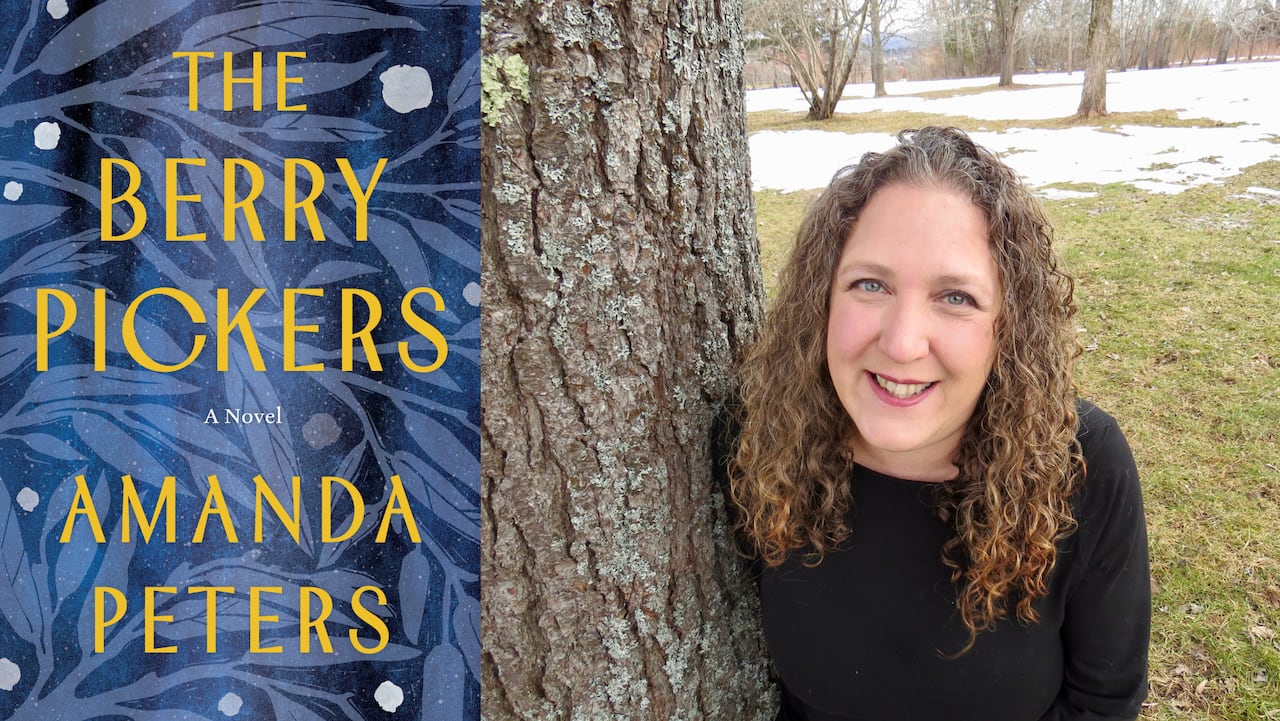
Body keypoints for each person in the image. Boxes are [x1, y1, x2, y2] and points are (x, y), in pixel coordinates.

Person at [726, 127, 1150, 720]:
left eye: (955, 297)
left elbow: (1103, 702)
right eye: (869, 284)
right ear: (821, 299)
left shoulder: (1079, 462)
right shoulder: (765, 439)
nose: (901, 345)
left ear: (1008, 326)